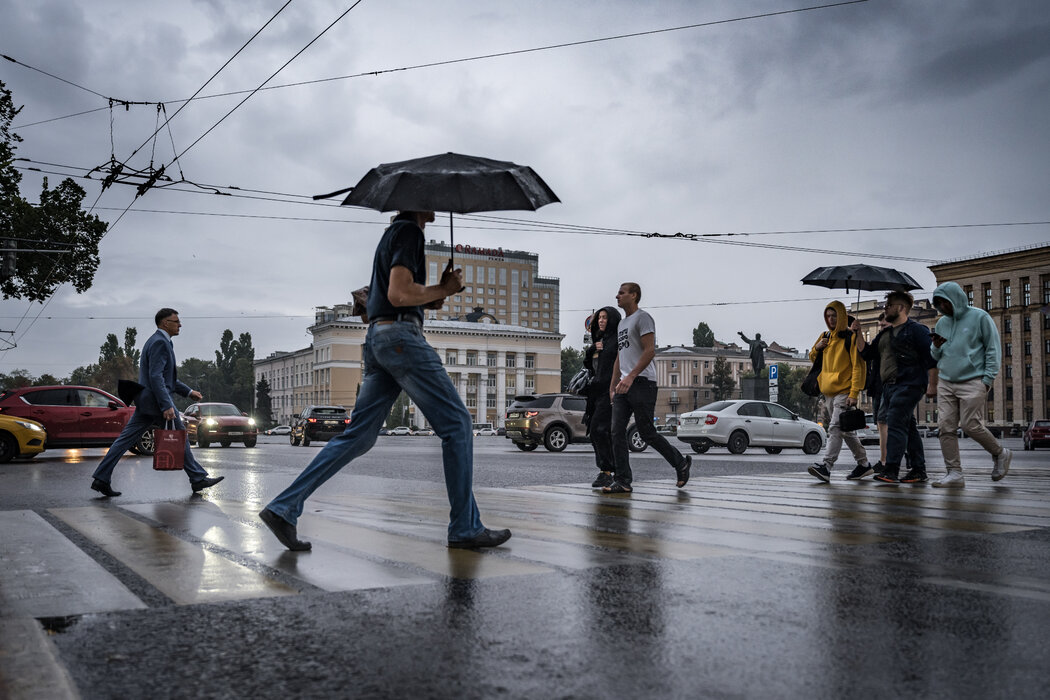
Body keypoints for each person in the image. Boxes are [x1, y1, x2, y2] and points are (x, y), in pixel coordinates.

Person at [259, 211, 511, 550]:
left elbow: (391, 296)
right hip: (401, 338)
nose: (436, 204)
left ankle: (284, 507)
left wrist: (440, 293)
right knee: (458, 424)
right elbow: (398, 296)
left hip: (378, 340)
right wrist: (442, 287)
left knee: (358, 438)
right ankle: (465, 528)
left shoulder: (392, 234)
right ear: (419, 201)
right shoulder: (409, 232)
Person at [90, 308, 223, 497]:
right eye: (176, 321)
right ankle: (197, 478)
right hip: (156, 403)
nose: (180, 324)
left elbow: (166, 378)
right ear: (164, 323)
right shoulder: (160, 342)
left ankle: (101, 478)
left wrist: (188, 392)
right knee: (180, 435)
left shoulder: (158, 341)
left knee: (124, 440)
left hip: (146, 401)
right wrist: (166, 405)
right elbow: (156, 377)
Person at [603, 282, 691, 494]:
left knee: (647, 433)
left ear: (634, 295)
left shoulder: (643, 318)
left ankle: (680, 463)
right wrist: (613, 385)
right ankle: (623, 480)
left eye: (621, 293)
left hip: (643, 382)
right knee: (616, 432)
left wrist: (631, 377)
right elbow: (619, 357)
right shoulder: (622, 324)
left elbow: (650, 351)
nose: (617, 296)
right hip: (624, 385)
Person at [928, 281, 1012, 487]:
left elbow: (993, 349)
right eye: (938, 304)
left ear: (954, 299)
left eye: (944, 302)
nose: (942, 307)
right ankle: (954, 473)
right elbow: (935, 355)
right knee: (945, 427)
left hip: (973, 380)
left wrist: (987, 380)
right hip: (946, 380)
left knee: (970, 424)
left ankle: (1000, 453)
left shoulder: (980, 317)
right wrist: (936, 347)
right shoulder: (942, 323)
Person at [852, 291, 936, 483]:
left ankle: (891, 469)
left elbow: (931, 358)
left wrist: (933, 384)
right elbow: (866, 353)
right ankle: (918, 469)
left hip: (910, 384)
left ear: (901, 308)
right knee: (909, 426)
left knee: (895, 420)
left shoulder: (917, 330)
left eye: (889, 305)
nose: (885, 308)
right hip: (889, 387)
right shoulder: (885, 334)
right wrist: (857, 332)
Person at [807, 300, 871, 483]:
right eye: (828, 316)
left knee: (835, 427)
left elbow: (859, 367)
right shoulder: (825, 336)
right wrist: (817, 348)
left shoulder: (850, 338)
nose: (831, 319)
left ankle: (826, 467)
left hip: (844, 391)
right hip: (827, 392)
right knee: (846, 430)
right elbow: (813, 357)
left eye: (834, 315)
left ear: (842, 316)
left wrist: (854, 394)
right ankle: (864, 464)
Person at [582, 306, 621, 489]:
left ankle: (609, 470)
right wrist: (591, 350)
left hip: (610, 390)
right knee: (595, 431)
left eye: (605, 318)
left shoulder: (616, 341)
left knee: (600, 429)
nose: (601, 321)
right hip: (596, 392)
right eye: (599, 318)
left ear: (612, 320)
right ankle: (606, 471)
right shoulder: (599, 340)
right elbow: (589, 366)